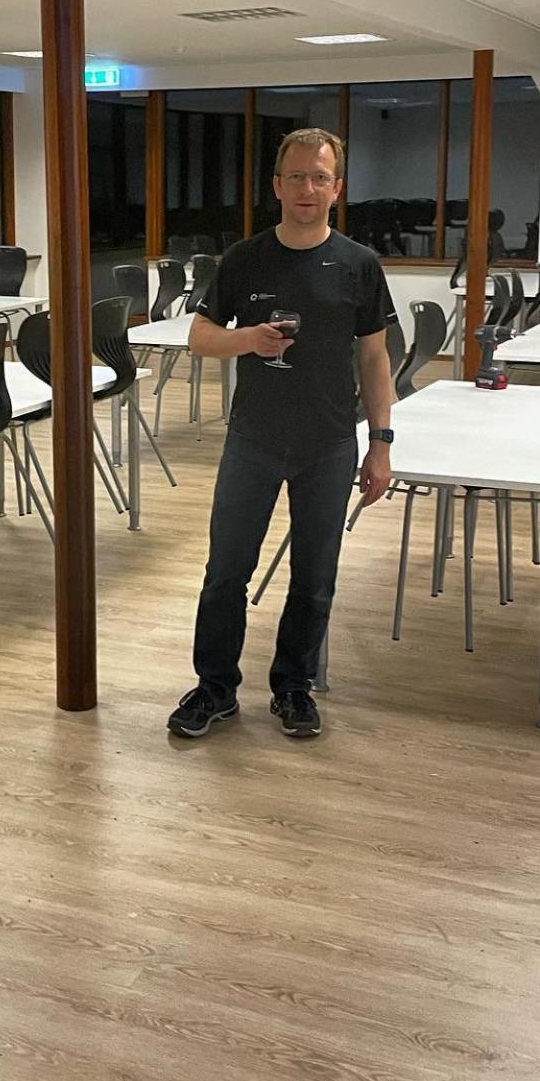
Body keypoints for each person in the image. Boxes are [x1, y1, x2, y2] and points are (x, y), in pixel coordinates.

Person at [167, 128, 396, 740]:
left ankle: (293, 687)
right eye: (296, 177)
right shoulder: (245, 259)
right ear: (277, 185)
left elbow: (374, 358)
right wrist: (248, 338)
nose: (307, 189)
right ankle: (215, 688)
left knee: (314, 577)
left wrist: (380, 443)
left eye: (319, 178)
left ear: (336, 188)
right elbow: (199, 338)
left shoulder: (359, 265)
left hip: (329, 442)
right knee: (226, 571)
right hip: (254, 439)